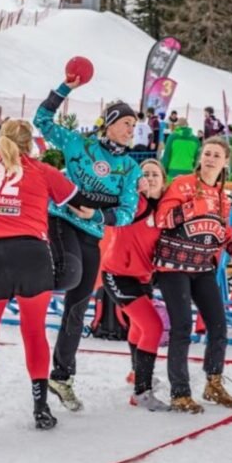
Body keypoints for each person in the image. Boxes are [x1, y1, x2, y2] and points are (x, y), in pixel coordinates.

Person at [0, 113, 119, 445]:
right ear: (32, 144)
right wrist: (114, 200)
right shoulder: (44, 172)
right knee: (34, 335)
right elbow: (80, 204)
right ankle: (41, 409)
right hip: (32, 257)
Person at [35, 78, 140, 412]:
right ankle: (23, 278)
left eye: (134, 125)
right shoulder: (77, 144)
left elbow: (126, 212)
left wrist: (98, 215)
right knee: (70, 273)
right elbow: (42, 121)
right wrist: (65, 87)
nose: (131, 130)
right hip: (61, 221)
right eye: (126, 123)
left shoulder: (131, 167)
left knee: (78, 307)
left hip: (91, 233)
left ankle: (61, 376)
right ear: (109, 124)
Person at [155, 136, 232, 412]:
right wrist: (191, 208)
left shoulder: (222, 197)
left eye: (216, 156)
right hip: (173, 266)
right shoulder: (183, 184)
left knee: (218, 325)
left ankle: (214, 383)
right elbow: (162, 218)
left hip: (203, 267)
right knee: (182, 326)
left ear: (225, 162)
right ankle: (180, 393)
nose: (209, 159)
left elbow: (223, 232)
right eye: (207, 154)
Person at [101, 158, 168, 410]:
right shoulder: (134, 202)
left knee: (140, 328)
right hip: (117, 274)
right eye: (146, 174)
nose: (150, 178)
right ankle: (141, 391)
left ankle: (135, 373)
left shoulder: (162, 209)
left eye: (155, 175)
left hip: (142, 276)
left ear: (163, 181)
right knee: (153, 327)